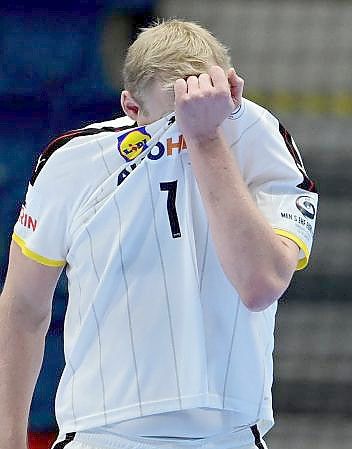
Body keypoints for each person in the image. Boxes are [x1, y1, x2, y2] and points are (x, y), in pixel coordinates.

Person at [0, 19, 318, 449]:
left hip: (230, 437)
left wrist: (206, 137)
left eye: (206, 101)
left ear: (230, 86)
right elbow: (23, 307)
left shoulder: (262, 140)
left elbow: (261, 284)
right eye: (175, 115)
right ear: (132, 108)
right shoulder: (72, 162)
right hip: (102, 435)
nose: (183, 129)